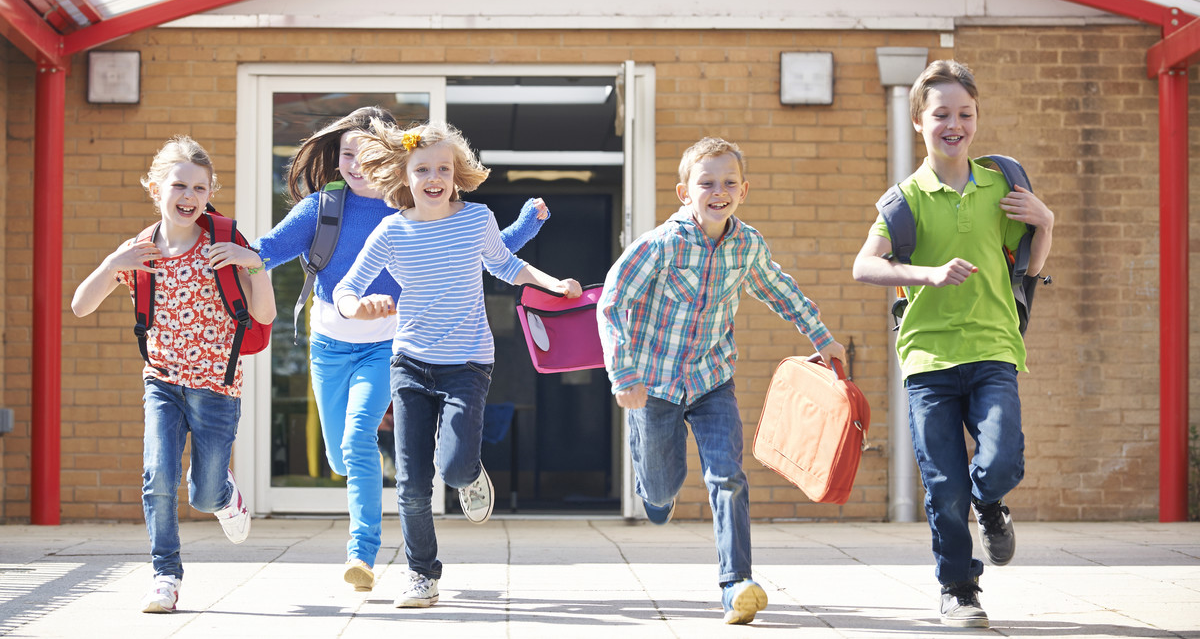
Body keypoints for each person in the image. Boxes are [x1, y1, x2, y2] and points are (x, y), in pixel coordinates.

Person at [207, 106, 549, 593]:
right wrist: (238, 253)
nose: (355, 165)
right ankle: (372, 519)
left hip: (388, 345)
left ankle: (362, 555)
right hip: (329, 343)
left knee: (357, 440)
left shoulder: (406, 205)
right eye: (347, 155)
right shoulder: (325, 207)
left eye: (366, 156)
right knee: (340, 458)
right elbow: (271, 247)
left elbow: (482, 248)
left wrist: (526, 226)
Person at [597, 137, 847, 625]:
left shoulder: (747, 245)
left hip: (713, 380)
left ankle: (736, 585)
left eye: (729, 182)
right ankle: (654, 490)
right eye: (706, 182)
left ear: (744, 190)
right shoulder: (661, 244)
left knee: (727, 476)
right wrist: (623, 372)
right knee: (663, 490)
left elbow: (778, 287)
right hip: (655, 386)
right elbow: (612, 302)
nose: (718, 191)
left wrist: (822, 335)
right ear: (683, 191)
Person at [332, 119, 581, 608]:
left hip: (467, 363)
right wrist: (355, 307)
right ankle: (422, 575)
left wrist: (553, 284)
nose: (433, 177)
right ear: (405, 175)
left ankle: (469, 475)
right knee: (410, 481)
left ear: (456, 173)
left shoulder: (476, 219)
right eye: (422, 168)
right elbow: (346, 290)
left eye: (443, 168)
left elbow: (505, 265)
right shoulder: (391, 232)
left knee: (453, 466)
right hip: (409, 364)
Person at [851, 60, 1054, 628]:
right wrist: (928, 274)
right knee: (943, 486)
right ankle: (960, 588)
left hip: (994, 348)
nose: (954, 124)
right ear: (920, 120)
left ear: (976, 117)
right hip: (929, 358)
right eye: (941, 114)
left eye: (965, 113)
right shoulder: (905, 199)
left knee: (1001, 458)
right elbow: (863, 267)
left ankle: (989, 504)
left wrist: (1047, 224)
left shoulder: (1001, 185)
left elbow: (1030, 269)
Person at [70, 136, 277, 613]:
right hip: (161, 381)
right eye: (178, 184)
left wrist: (256, 263)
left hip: (217, 387)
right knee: (157, 476)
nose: (189, 196)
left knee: (203, 493)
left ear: (209, 193)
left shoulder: (225, 243)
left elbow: (263, 315)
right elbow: (81, 306)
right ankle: (165, 576)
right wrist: (111, 264)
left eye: (199, 188)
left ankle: (225, 494)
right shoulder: (138, 251)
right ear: (154, 188)